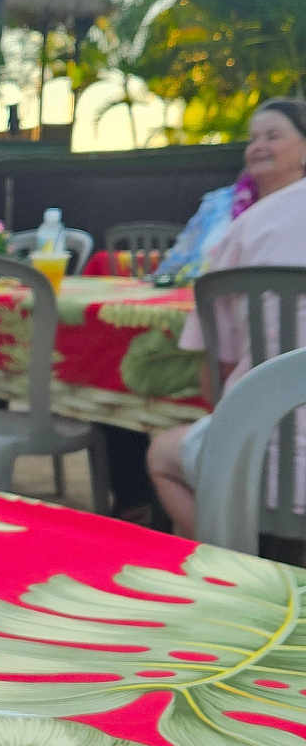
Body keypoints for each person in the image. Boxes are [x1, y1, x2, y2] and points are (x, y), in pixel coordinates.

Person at [147, 98, 306, 536]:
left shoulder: (245, 229)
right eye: (253, 139)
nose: (258, 146)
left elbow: (213, 379)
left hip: (262, 461)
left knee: (162, 454)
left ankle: (233, 562)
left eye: (273, 135)